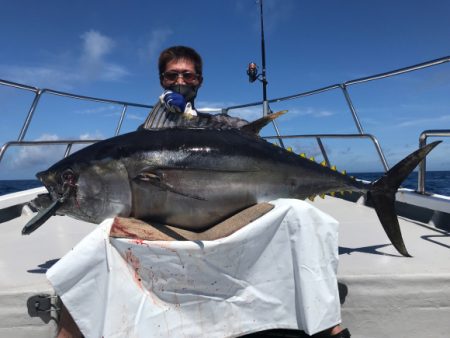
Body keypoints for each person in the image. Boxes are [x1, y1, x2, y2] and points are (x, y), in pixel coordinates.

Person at [141, 45, 249, 130]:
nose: (180, 82)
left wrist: (188, 117)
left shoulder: (220, 122)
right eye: (171, 75)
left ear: (199, 81)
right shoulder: (145, 130)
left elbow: (248, 130)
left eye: (188, 75)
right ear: (162, 81)